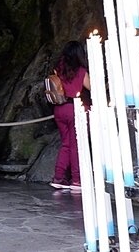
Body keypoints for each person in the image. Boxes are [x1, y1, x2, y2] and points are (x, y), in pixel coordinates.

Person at [49, 41, 89, 191]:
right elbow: (92, 87)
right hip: (74, 109)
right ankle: (77, 180)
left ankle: (58, 177)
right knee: (75, 145)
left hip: (59, 109)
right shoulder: (81, 71)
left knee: (66, 143)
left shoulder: (58, 69)